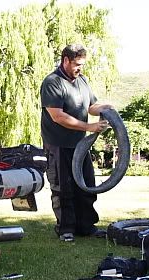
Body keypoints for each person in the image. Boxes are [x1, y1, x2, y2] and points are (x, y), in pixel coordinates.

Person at [40, 44, 113, 242]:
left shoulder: (82, 81)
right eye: (77, 64)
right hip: (58, 144)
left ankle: (86, 226)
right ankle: (65, 229)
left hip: (79, 145)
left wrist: (106, 108)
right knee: (63, 188)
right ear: (65, 60)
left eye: (82, 64)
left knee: (86, 184)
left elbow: (91, 107)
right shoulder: (52, 82)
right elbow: (58, 116)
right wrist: (89, 128)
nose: (80, 68)